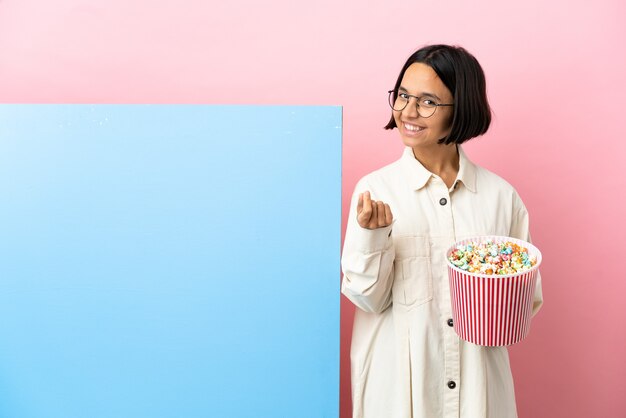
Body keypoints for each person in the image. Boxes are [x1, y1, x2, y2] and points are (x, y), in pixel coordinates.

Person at [341, 44, 543, 418]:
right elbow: (366, 298)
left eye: (428, 101)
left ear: (461, 108)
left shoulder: (501, 198)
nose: (407, 112)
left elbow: (525, 303)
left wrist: (493, 299)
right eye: (402, 96)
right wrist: (374, 239)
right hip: (401, 393)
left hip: (478, 394)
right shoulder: (377, 190)